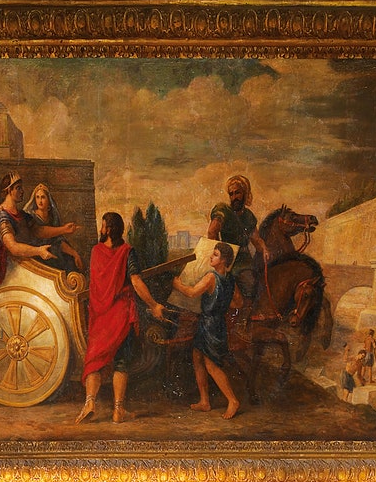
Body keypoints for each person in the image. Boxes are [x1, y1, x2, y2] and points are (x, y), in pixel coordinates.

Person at [78, 210, 168, 423]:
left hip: (100, 317)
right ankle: (118, 410)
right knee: (121, 362)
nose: (101, 229)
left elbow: (97, 285)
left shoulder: (95, 252)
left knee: (95, 360)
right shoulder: (127, 252)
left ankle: (90, 401)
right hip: (120, 316)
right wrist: (154, 305)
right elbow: (136, 282)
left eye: (102, 225)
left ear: (107, 229)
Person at [172, 241, 240, 419]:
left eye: (215, 254)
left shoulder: (211, 277)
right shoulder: (231, 279)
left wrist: (177, 285)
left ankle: (232, 400)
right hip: (216, 323)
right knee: (197, 359)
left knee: (211, 365)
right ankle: (205, 401)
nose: (211, 256)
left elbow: (192, 292)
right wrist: (222, 304)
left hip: (210, 325)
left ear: (224, 260)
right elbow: (238, 303)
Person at [0, 173, 57, 291]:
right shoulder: (2, 218)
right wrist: (39, 251)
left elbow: (38, 230)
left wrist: (64, 229)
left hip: (30, 262)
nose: (22, 191)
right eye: (18, 188)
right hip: (15, 271)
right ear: (9, 191)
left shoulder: (21, 215)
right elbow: (13, 247)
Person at [207, 174, 263, 309]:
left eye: (237, 193)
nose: (234, 197)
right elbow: (211, 232)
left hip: (246, 260)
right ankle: (242, 321)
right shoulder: (223, 210)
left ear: (245, 193)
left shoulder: (248, 216)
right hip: (229, 261)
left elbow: (256, 240)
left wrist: (266, 250)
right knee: (250, 284)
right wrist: (221, 257)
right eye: (231, 194)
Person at [23, 182, 79, 270]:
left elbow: (58, 240)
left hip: (53, 252)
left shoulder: (53, 217)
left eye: (43, 197)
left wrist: (74, 253)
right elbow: (39, 231)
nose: (40, 201)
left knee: (70, 260)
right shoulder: (31, 216)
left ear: (49, 200)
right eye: (37, 197)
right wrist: (64, 229)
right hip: (36, 255)